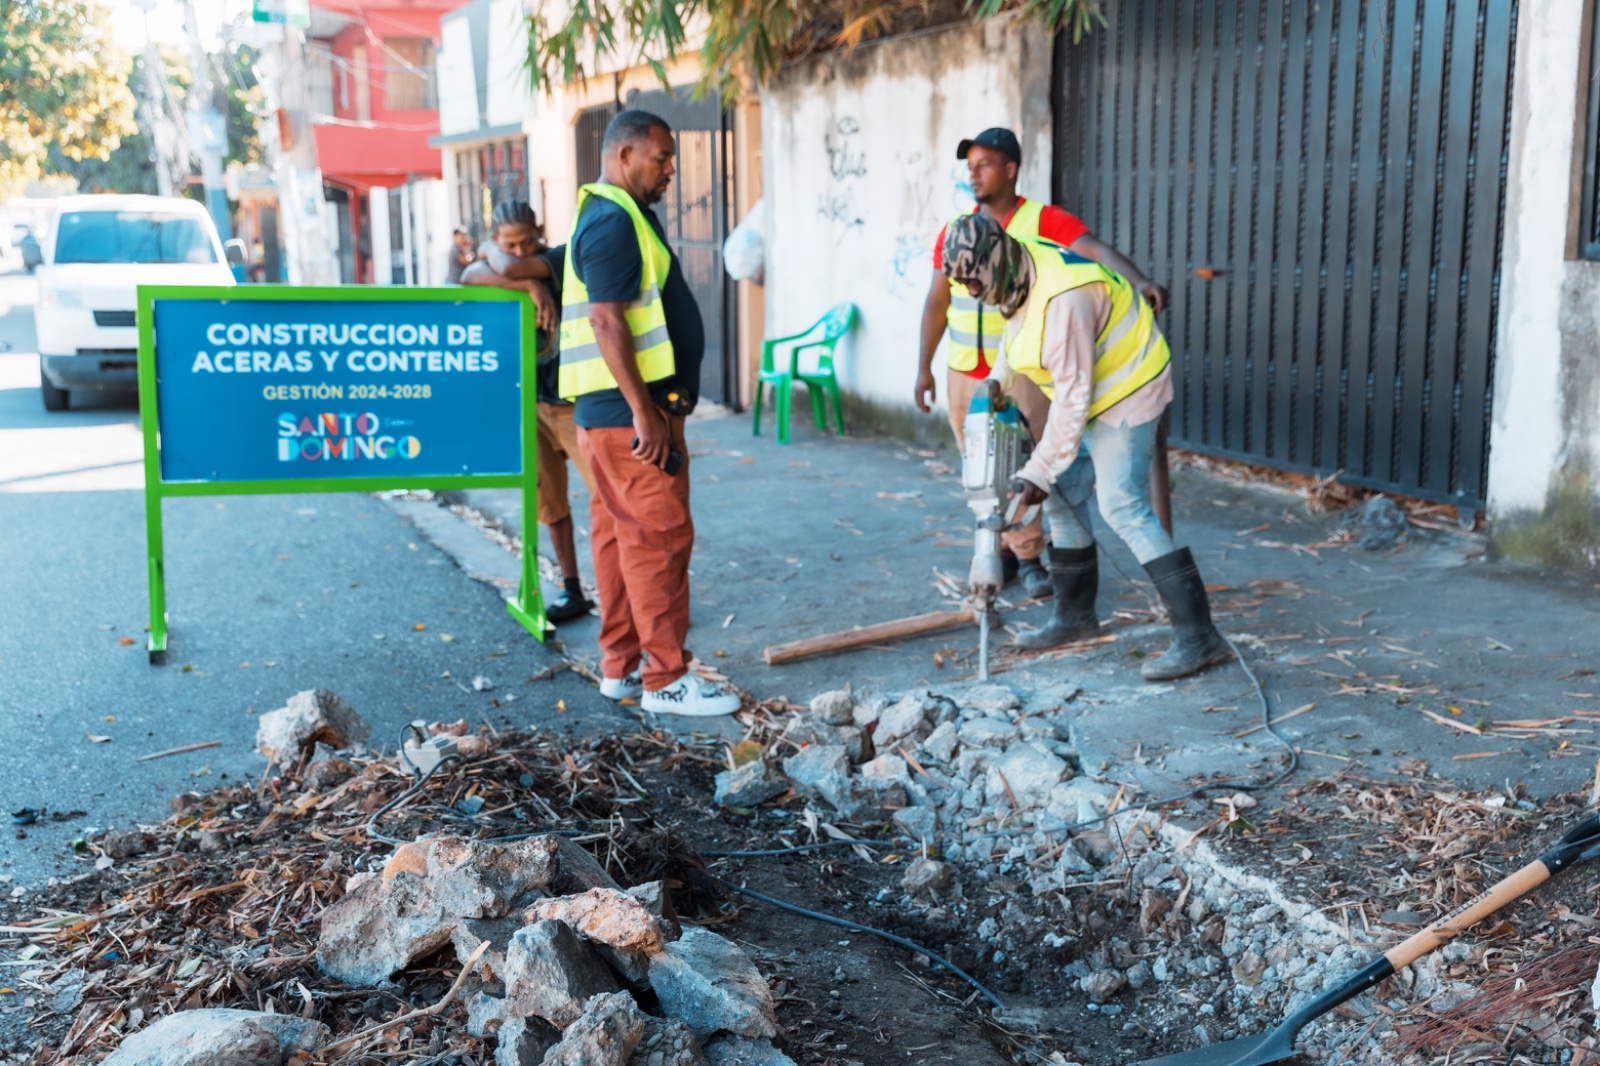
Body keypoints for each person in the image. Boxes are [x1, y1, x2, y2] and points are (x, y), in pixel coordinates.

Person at [940, 212, 1230, 682]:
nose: (974, 294)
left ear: (997, 259)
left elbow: (1074, 401)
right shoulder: (1015, 263)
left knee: (1122, 505)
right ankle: (1075, 620)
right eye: (965, 285)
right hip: (1087, 382)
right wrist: (997, 379)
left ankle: (1200, 639)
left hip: (1128, 383)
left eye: (976, 283)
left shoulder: (1064, 301)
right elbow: (1015, 328)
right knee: (1061, 494)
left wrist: (1036, 470)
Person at [914, 127, 1171, 600]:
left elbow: (1092, 252)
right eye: (968, 167)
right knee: (989, 472)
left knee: (1046, 470)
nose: (974, 174)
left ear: (1011, 168)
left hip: (1040, 371)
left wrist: (1137, 279)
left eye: (984, 164)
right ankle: (1011, 557)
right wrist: (924, 366)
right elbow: (936, 302)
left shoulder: (1041, 225)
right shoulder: (958, 235)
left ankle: (1032, 560)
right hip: (977, 369)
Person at [556, 108, 742, 717]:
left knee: (617, 537)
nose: (670, 170)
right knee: (657, 538)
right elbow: (606, 320)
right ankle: (667, 681)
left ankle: (622, 668)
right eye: (661, 157)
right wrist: (644, 410)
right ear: (624, 155)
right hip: (627, 418)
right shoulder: (612, 223)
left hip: (607, 418)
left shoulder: (614, 216)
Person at [461, 202, 596, 625]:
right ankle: (572, 588)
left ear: (540, 232)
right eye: (509, 244)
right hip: (530, 402)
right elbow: (468, 277)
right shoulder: (518, 271)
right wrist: (527, 289)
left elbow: (512, 269)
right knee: (549, 502)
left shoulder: (555, 258)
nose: (519, 252)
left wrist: (511, 267)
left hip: (572, 403)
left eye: (526, 241)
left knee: (608, 497)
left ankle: (627, 591)